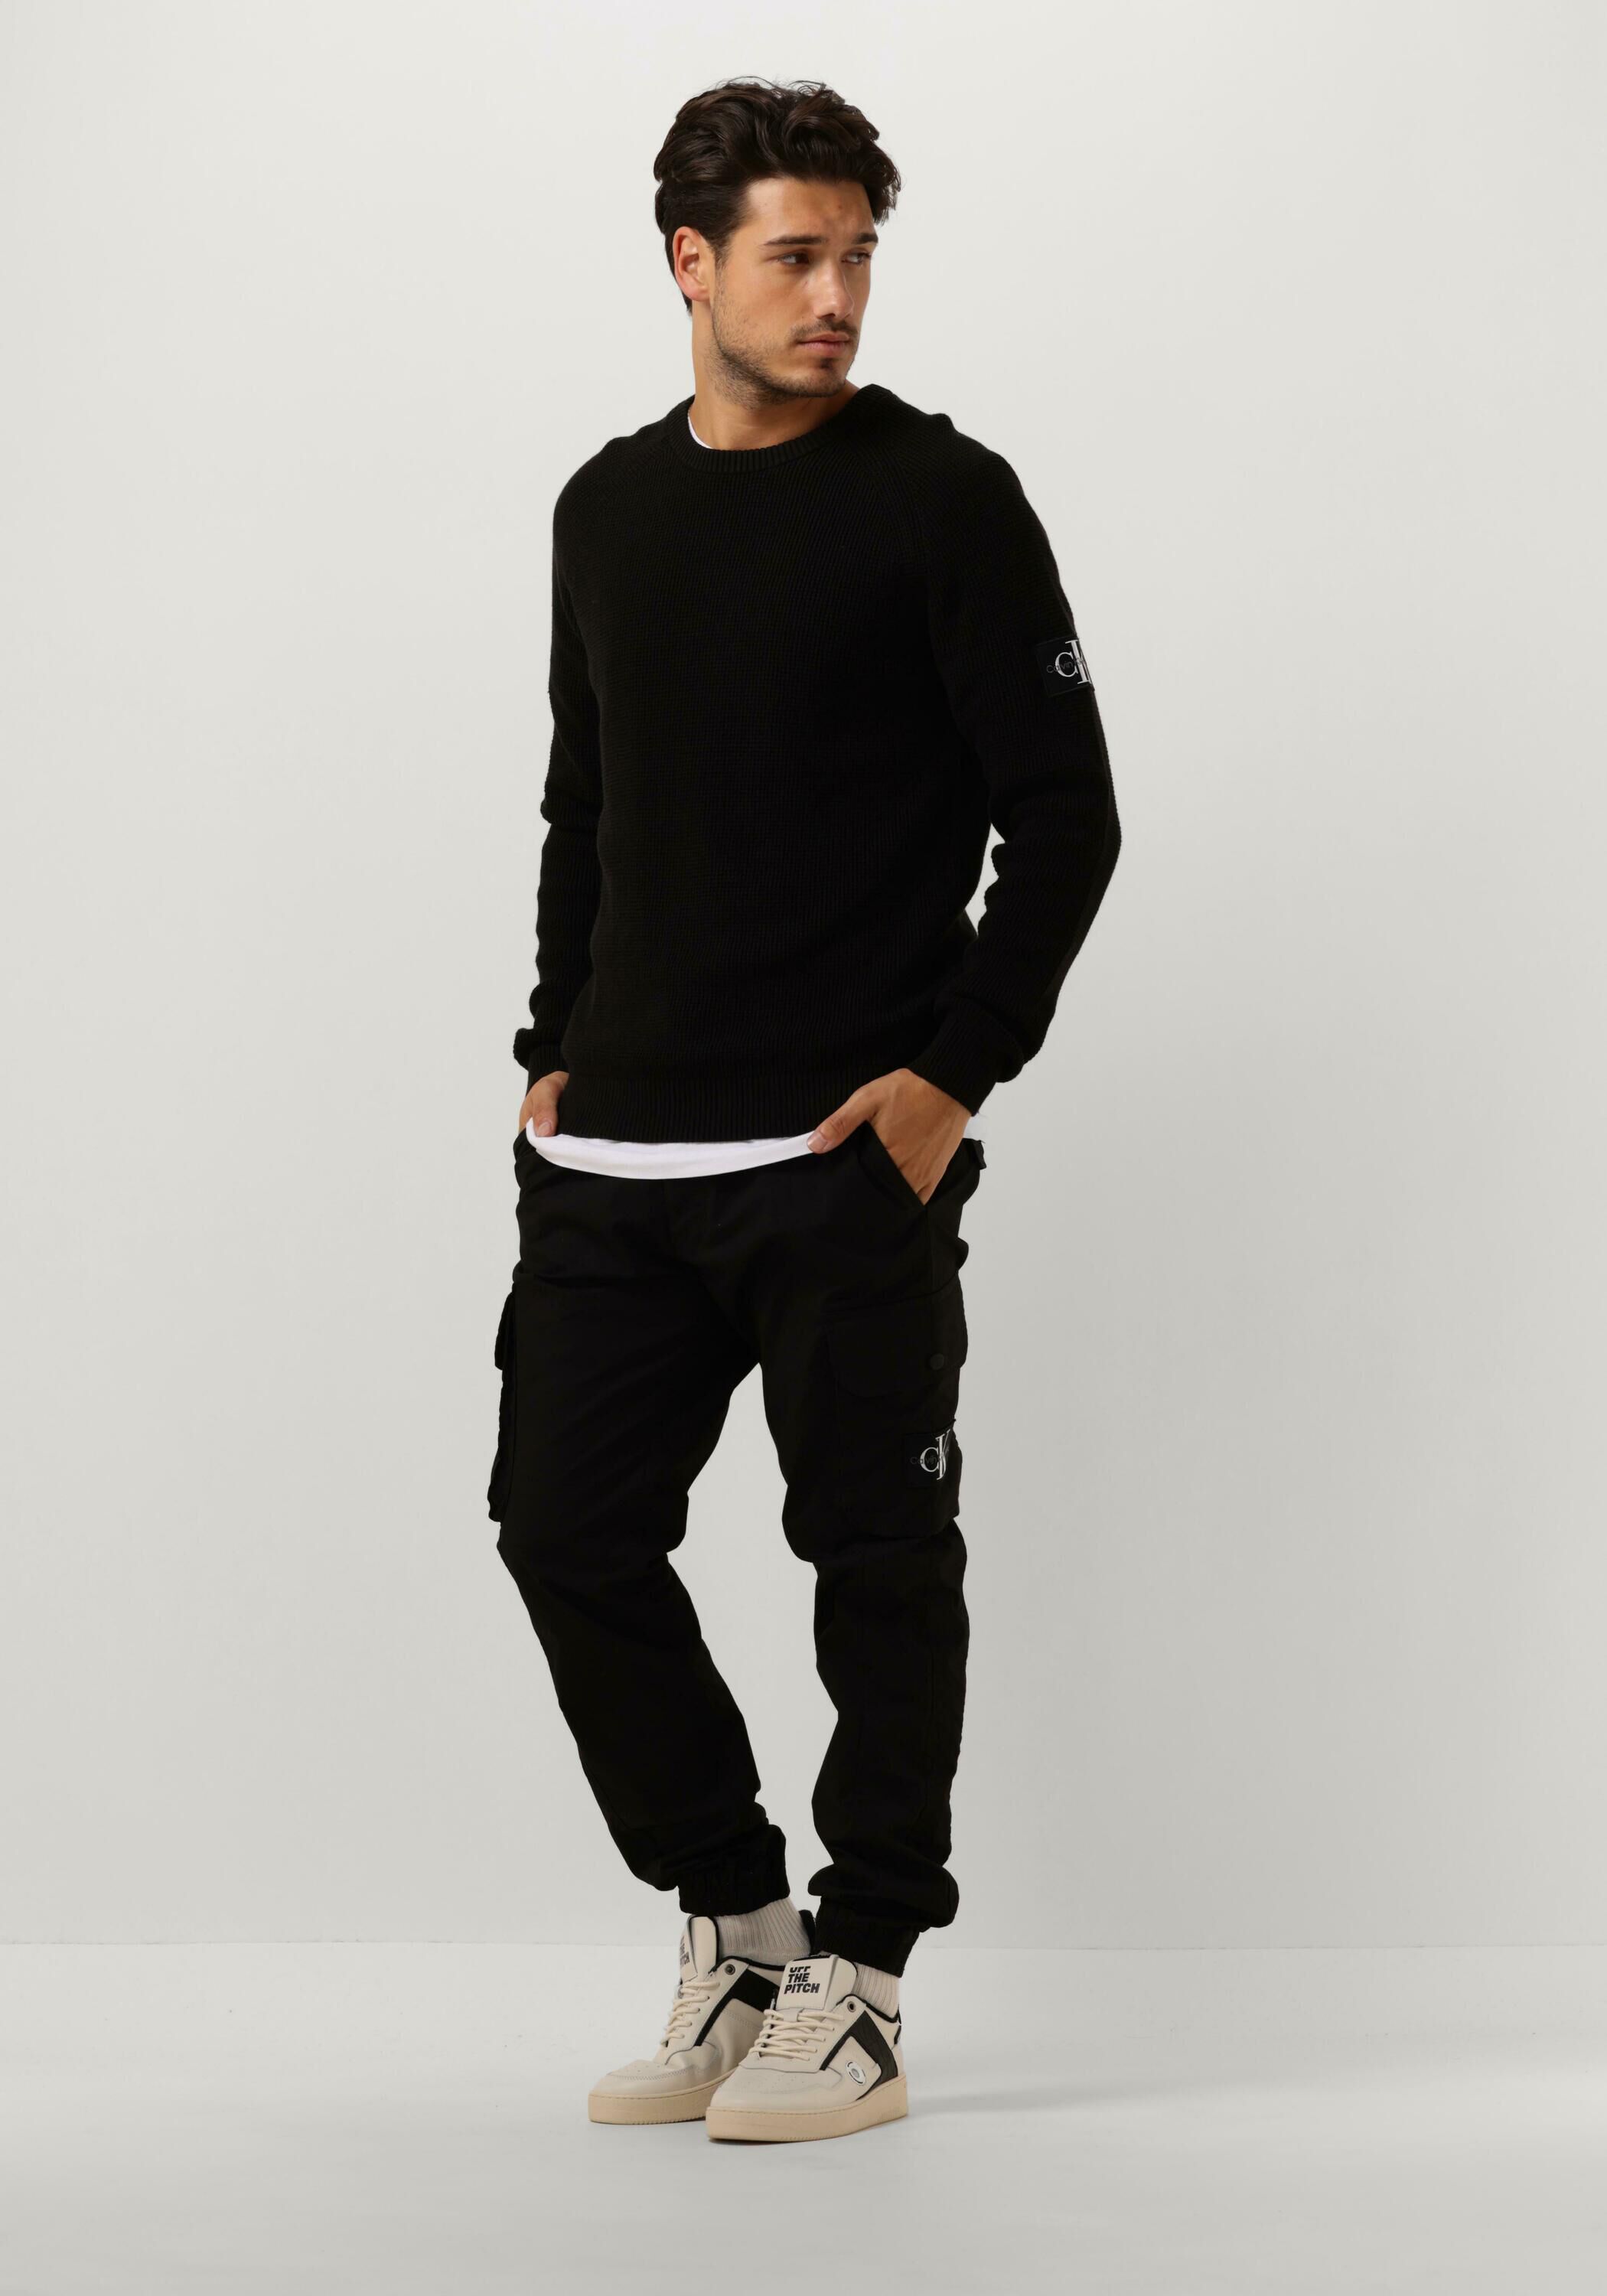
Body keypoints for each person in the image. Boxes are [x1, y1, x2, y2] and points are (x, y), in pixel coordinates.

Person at [487, 75, 1120, 2145]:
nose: (835, 294)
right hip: (616, 1156)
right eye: (793, 255)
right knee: (563, 1528)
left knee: (875, 1555)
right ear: (691, 263)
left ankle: (861, 1979)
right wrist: (549, 1045)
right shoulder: (604, 508)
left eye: (857, 256)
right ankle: (739, 1923)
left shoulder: (942, 498)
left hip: (843, 1154)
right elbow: (587, 802)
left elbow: (1065, 816)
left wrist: (950, 1076)